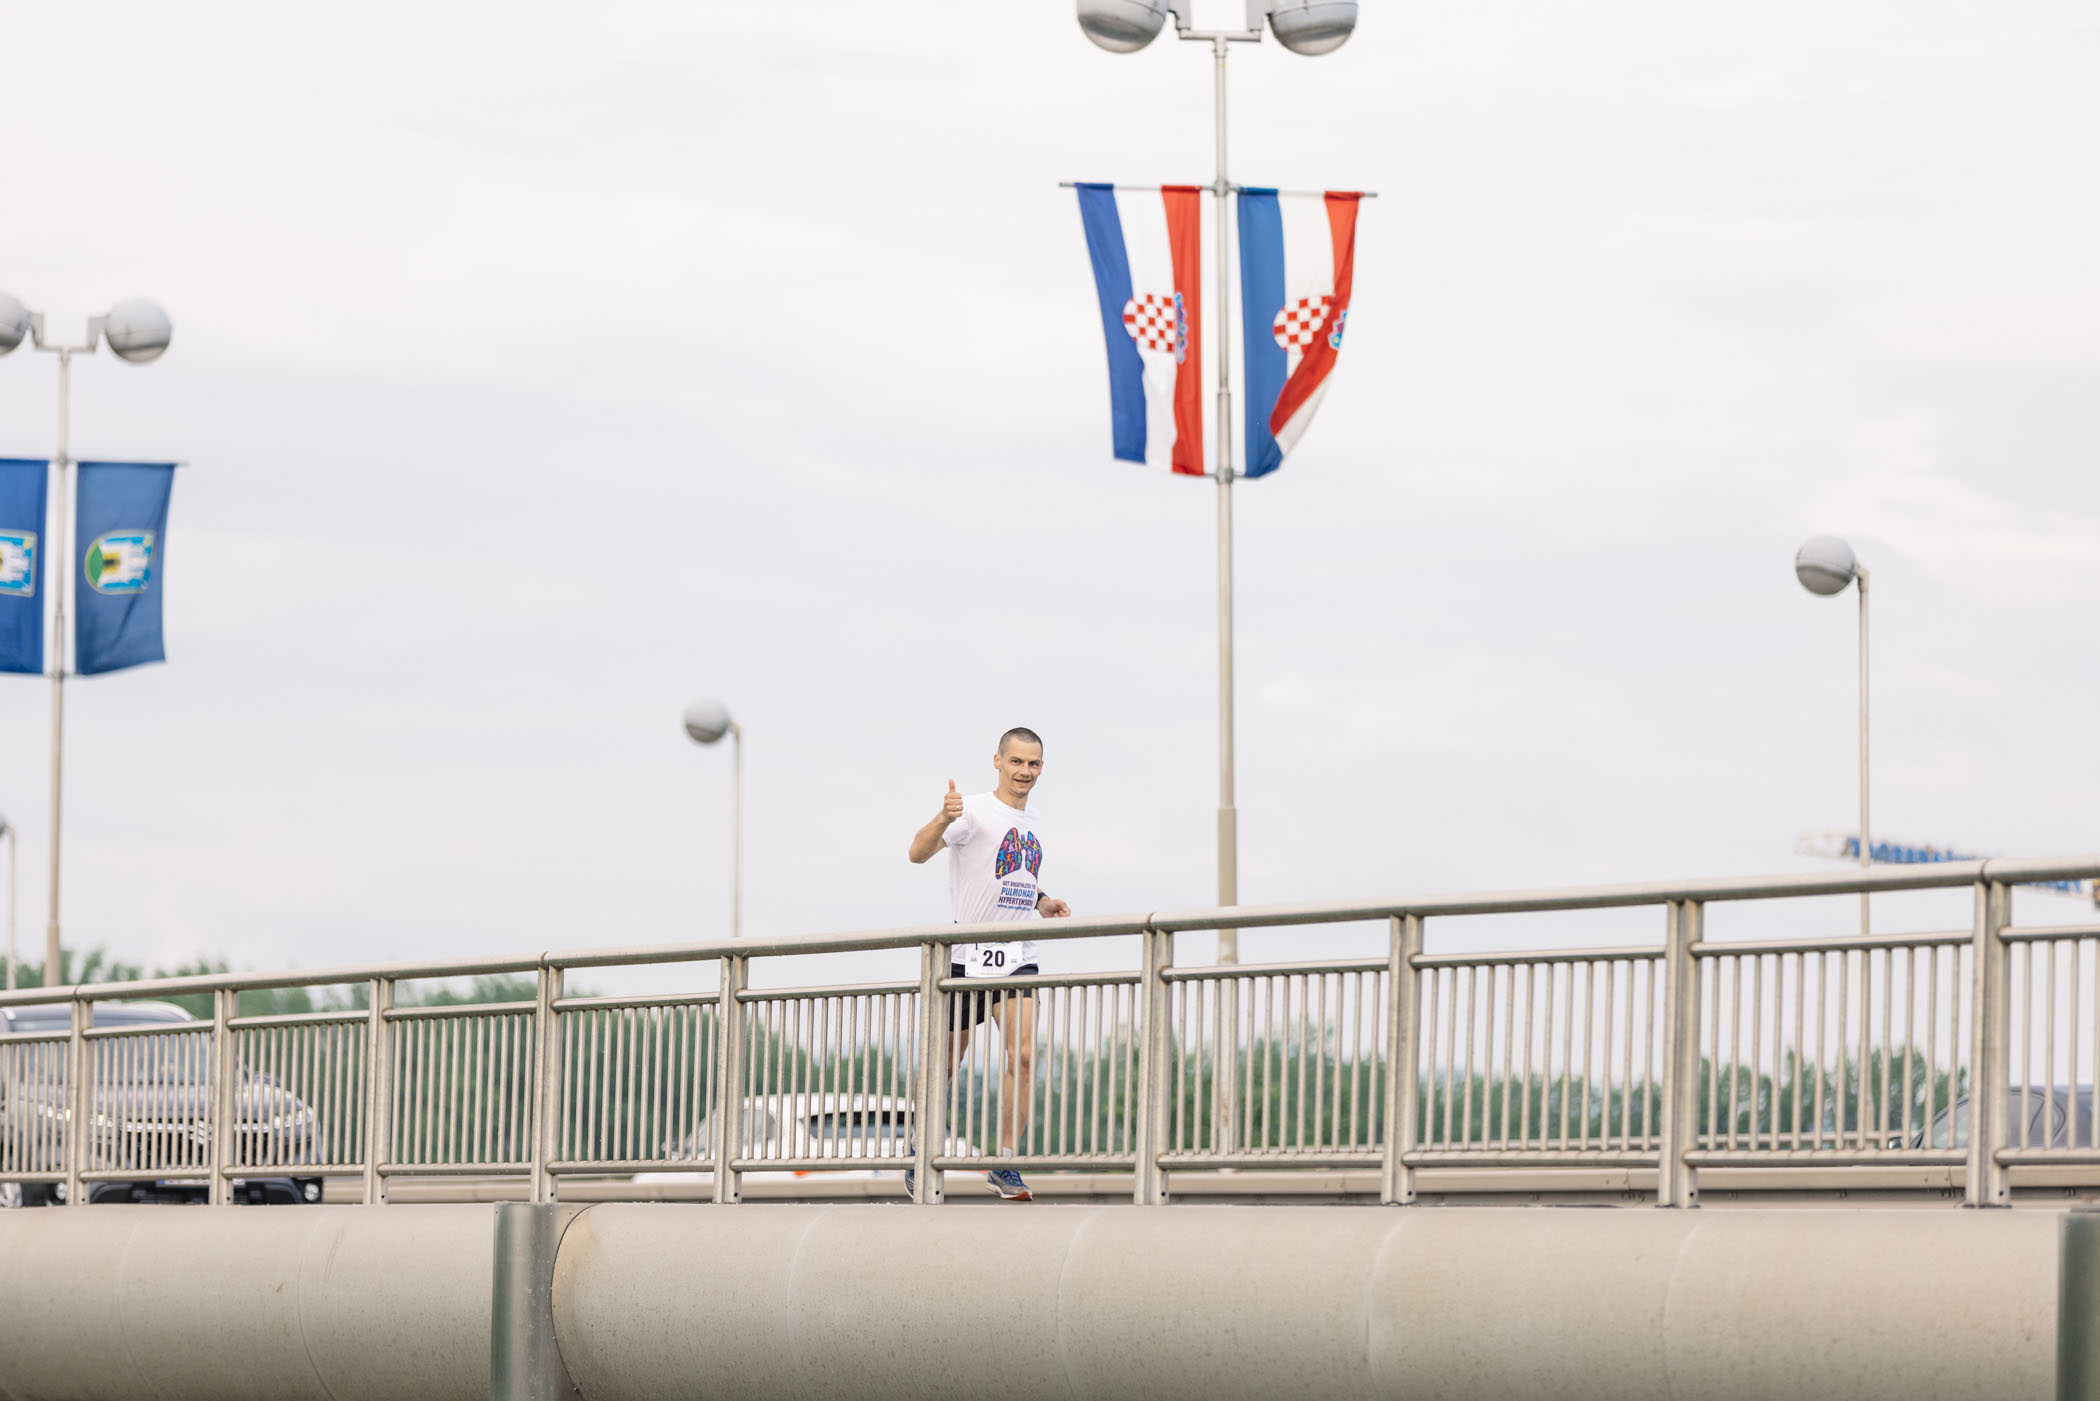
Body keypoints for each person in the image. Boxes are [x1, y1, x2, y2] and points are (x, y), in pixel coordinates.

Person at [905, 726, 1070, 1200]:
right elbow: (916, 853)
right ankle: (918, 1149)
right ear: (998, 761)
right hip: (968, 958)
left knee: (1023, 1056)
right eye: (1016, 762)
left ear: (1042, 768)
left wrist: (1041, 901)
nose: (1025, 772)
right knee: (944, 1063)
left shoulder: (1034, 819)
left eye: (1033, 764)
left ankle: (1004, 1162)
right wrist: (943, 816)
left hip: (1017, 958)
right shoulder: (972, 810)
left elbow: (1012, 875)